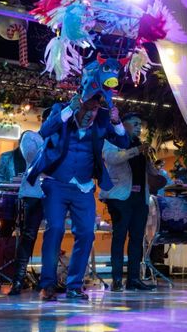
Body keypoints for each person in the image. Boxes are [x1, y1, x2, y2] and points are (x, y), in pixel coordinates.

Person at [26, 94, 128, 301]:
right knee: (54, 229)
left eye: (95, 108)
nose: (90, 113)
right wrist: (68, 110)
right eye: (87, 107)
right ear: (78, 104)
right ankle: (47, 284)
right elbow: (44, 131)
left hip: (83, 187)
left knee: (86, 233)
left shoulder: (100, 122)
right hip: (56, 183)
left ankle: (74, 285)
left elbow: (124, 142)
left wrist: (117, 122)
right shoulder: (61, 111)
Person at [100, 113, 160, 292]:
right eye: (135, 124)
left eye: (140, 124)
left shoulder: (139, 144)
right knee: (119, 237)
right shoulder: (112, 140)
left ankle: (134, 279)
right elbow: (112, 158)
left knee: (137, 239)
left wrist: (156, 170)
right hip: (119, 197)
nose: (139, 128)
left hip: (140, 198)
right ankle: (117, 279)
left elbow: (149, 170)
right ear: (124, 125)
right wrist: (136, 151)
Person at [7, 109, 50, 296]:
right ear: (45, 120)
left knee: (54, 233)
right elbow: (34, 158)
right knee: (28, 235)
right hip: (33, 193)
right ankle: (18, 279)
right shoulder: (31, 137)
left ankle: (49, 279)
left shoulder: (63, 141)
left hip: (54, 192)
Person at [0, 135, 28, 290]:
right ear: (21, 142)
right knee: (4, 236)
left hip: (27, 203)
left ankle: (20, 276)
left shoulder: (36, 158)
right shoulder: (7, 156)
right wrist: (6, 185)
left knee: (26, 239)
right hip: (8, 202)